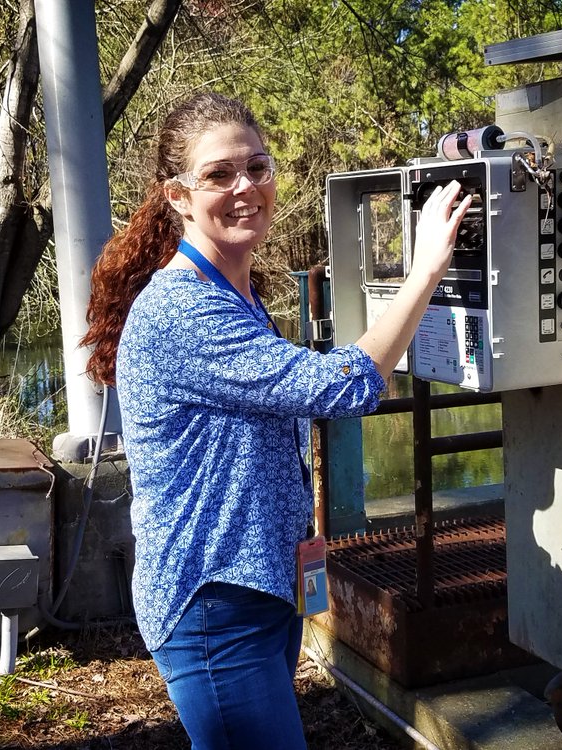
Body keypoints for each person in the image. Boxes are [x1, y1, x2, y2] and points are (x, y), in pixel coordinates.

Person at [82, 92, 471, 749]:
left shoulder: (233, 291)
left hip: (260, 589)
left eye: (257, 167)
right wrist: (427, 267)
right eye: (219, 174)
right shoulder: (184, 310)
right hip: (214, 606)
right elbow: (337, 387)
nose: (246, 188)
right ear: (176, 196)